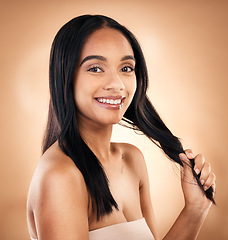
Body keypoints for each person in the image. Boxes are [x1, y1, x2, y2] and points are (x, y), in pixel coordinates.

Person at [27, 15, 216, 240]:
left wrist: (195, 208)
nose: (117, 84)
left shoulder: (132, 159)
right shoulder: (60, 176)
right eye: (95, 68)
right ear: (65, 76)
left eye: (126, 68)